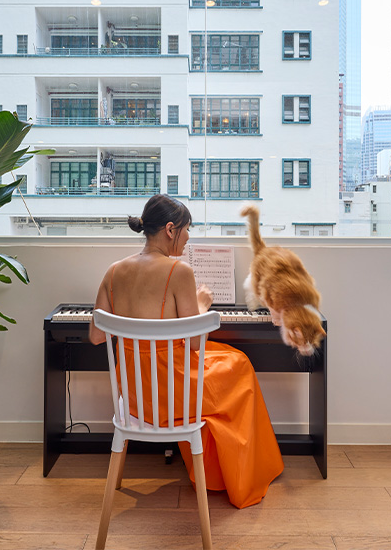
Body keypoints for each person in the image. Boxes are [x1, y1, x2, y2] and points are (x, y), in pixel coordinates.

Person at [88, 194, 283, 508]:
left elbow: (97, 336)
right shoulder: (179, 272)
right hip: (175, 395)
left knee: (227, 360)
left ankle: (214, 469)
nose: (188, 237)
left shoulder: (113, 272)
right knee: (241, 364)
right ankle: (236, 474)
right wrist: (203, 304)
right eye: (187, 229)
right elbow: (194, 343)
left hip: (137, 399)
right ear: (170, 229)